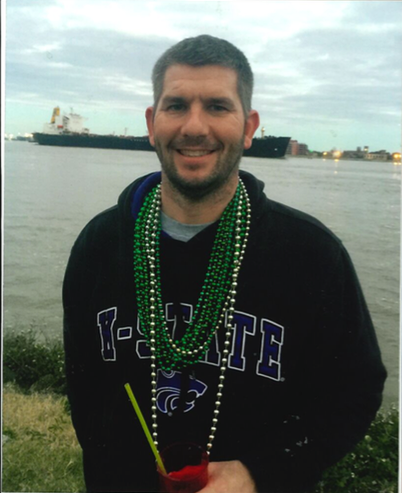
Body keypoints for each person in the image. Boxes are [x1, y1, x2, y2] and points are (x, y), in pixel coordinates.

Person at [63, 35, 387, 493]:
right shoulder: (98, 246)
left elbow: (355, 389)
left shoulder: (313, 256)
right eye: (176, 105)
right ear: (152, 124)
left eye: (217, 106)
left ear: (249, 125)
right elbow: (85, 387)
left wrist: (261, 472)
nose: (195, 127)